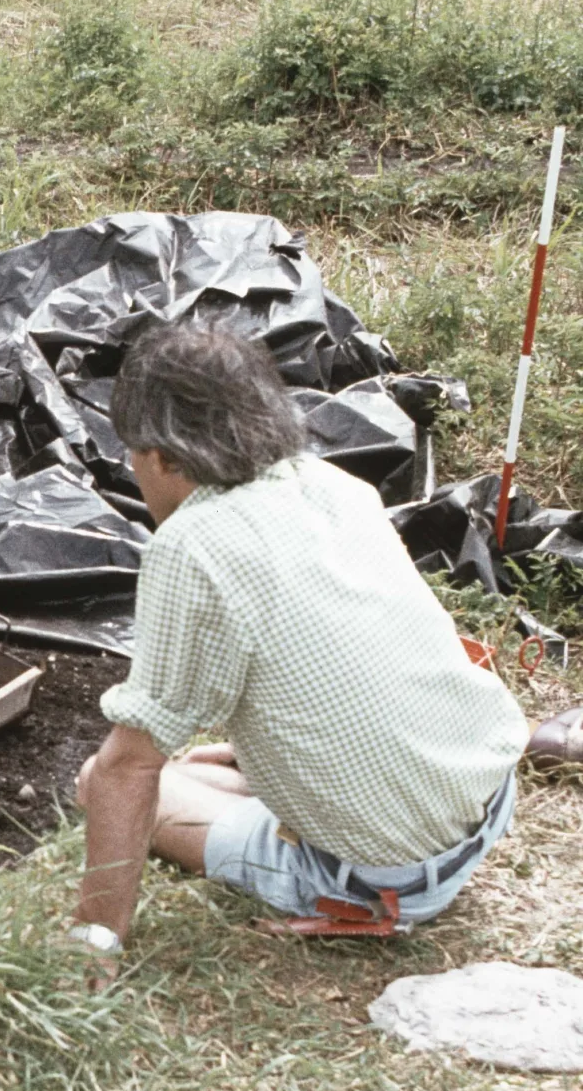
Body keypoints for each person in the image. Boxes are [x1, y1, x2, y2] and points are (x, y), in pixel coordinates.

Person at [71, 325, 527, 963]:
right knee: (189, 760)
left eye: (133, 456)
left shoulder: (192, 543)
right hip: (486, 792)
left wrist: (94, 939)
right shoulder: (328, 482)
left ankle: (338, 885)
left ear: (165, 456)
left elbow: (128, 770)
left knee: (99, 780)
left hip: (392, 874)